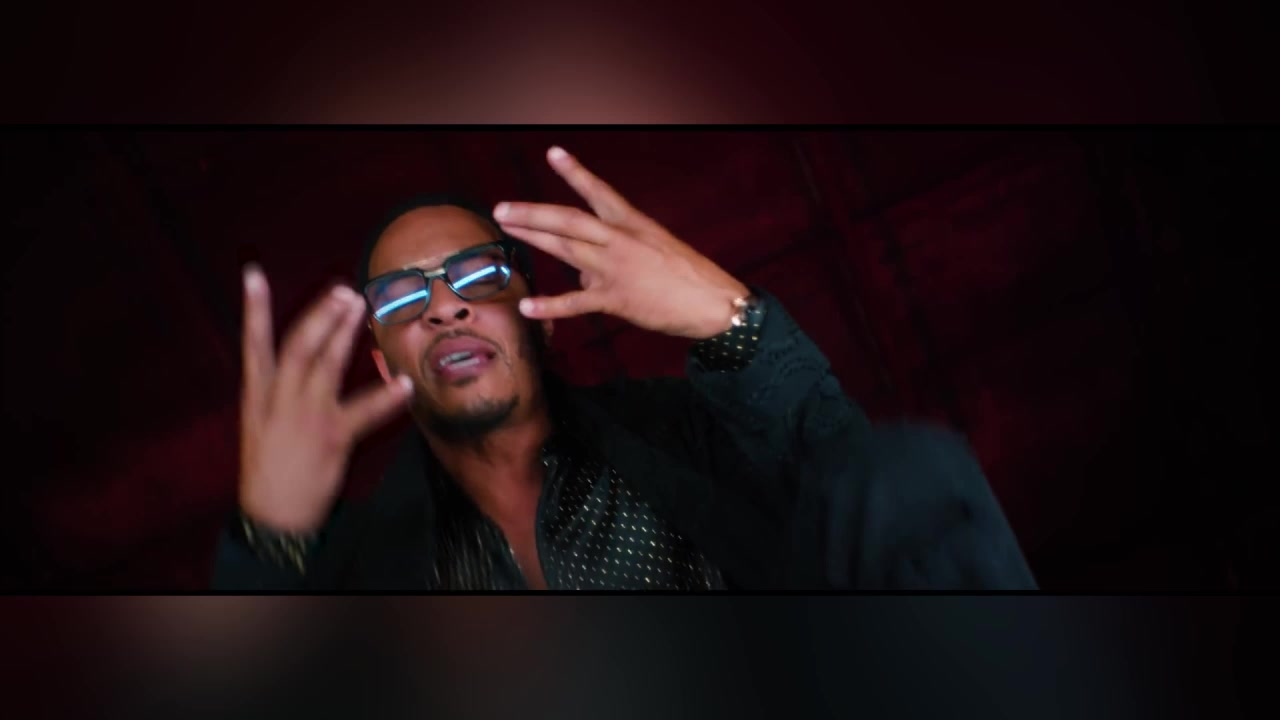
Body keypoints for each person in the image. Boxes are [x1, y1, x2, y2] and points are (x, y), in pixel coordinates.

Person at [212, 146, 1037, 591]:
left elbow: (867, 498)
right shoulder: (363, 564)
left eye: (479, 276)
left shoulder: (681, 435)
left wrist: (727, 316)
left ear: (541, 319)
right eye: (401, 295)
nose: (445, 306)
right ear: (379, 357)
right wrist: (268, 541)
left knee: (908, 469)